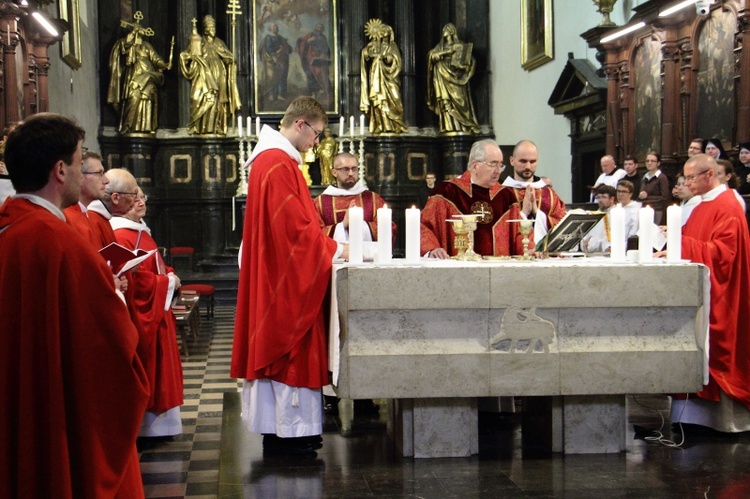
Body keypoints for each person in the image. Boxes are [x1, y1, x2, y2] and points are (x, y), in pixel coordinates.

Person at [0, 113, 149, 497]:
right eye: (80, 161)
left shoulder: (9, 229)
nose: (87, 173)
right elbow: (112, 342)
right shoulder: (62, 244)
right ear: (60, 170)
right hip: (56, 414)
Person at [231, 97, 347, 455]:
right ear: (300, 124)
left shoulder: (272, 162)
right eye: (317, 134)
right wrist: (333, 250)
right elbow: (295, 233)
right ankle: (291, 435)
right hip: (286, 280)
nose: (317, 144)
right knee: (293, 349)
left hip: (277, 273)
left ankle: (284, 432)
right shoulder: (278, 165)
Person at [669, 154, 750, 433]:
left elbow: (724, 255)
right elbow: (692, 241)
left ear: (710, 175)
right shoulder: (702, 204)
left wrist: (678, 242)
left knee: (714, 350)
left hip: (721, 295)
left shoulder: (729, 206)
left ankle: (724, 421)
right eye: (685, 177)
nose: (686, 183)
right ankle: (691, 419)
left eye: (691, 177)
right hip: (699, 292)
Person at [111, 186, 184, 437]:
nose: (141, 202)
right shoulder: (121, 234)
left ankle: (160, 427)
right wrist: (167, 283)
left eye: (143, 197)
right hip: (144, 314)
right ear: (118, 200)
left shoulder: (140, 230)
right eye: (135, 198)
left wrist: (169, 274)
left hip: (158, 311)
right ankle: (147, 429)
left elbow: (155, 266)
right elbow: (134, 282)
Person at [421, 139, 520, 258]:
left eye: (500, 165)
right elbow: (424, 226)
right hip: (457, 272)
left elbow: (519, 231)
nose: (498, 171)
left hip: (499, 273)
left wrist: (528, 249)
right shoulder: (446, 192)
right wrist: (432, 249)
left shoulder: (506, 196)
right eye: (493, 164)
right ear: (475, 165)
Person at [107, 11, 171, 135]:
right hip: (133, 77)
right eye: (135, 32)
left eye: (139, 32)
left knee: (147, 99)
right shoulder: (126, 45)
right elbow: (121, 51)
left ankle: (146, 128)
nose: (138, 35)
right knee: (133, 97)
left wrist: (165, 64)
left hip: (148, 77)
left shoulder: (146, 46)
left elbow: (156, 59)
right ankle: (128, 126)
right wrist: (130, 40)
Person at [313, 152, 393, 244]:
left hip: (367, 257)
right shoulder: (320, 203)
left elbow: (389, 229)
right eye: (345, 169)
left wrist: (359, 225)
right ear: (334, 172)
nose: (351, 173)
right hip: (333, 258)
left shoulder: (373, 199)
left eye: (354, 169)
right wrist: (343, 225)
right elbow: (314, 235)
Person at [179, 15, 241, 135]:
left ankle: (218, 125)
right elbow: (189, 54)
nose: (213, 30)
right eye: (210, 27)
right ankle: (203, 127)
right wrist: (185, 57)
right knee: (205, 99)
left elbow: (227, 56)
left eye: (214, 27)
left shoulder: (219, 42)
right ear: (206, 30)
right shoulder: (199, 41)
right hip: (204, 76)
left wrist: (231, 60)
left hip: (220, 75)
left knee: (219, 101)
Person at [500, 140, 567, 249]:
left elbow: (563, 227)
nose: (528, 166)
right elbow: (499, 230)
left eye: (532, 161)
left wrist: (537, 214)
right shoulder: (501, 193)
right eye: (523, 161)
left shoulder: (549, 194)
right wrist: (524, 213)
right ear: (512, 161)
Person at [426, 23, 480, 134]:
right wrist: (446, 52)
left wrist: (464, 67)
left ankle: (464, 125)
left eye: (447, 28)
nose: (445, 30)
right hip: (443, 77)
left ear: (452, 31)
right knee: (446, 103)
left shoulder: (460, 45)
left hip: (457, 78)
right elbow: (432, 56)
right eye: (444, 28)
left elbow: (470, 60)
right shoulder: (440, 47)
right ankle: (449, 126)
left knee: (461, 101)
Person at [360, 19, 408, 134]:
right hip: (376, 76)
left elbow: (397, 60)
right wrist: (369, 52)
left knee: (394, 98)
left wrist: (387, 58)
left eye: (387, 33)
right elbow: (365, 54)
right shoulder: (374, 45)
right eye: (382, 32)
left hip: (390, 77)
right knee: (379, 101)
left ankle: (395, 124)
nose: (384, 35)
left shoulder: (393, 46)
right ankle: (382, 125)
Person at [63, 150, 108, 248]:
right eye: (98, 173)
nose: (106, 181)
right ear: (80, 176)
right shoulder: (68, 218)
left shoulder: (86, 215)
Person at [296, 23, 333, 104]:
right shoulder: (310, 35)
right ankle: (314, 94)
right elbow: (301, 41)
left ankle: (325, 92)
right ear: (315, 27)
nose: (318, 28)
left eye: (320, 27)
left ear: (322, 29)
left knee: (320, 74)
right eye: (317, 27)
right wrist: (307, 41)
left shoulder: (323, 38)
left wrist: (323, 53)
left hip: (319, 59)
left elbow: (326, 49)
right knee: (310, 75)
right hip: (310, 60)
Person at [260, 22, 293, 104]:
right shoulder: (268, 38)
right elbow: (269, 48)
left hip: (282, 61)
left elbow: (289, 49)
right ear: (270, 28)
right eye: (274, 26)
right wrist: (277, 51)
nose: (276, 28)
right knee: (272, 77)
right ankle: (272, 94)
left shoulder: (281, 38)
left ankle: (280, 94)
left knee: (282, 77)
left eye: (276, 26)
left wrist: (285, 47)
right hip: (271, 61)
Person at [582, 184, 616, 253]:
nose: (600, 200)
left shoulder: (617, 214)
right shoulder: (593, 215)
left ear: (612, 199)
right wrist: (585, 243)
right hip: (592, 254)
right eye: (598, 197)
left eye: (603, 197)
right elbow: (586, 236)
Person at [638, 151, 669, 224]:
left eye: (652, 161)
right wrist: (640, 196)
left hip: (657, 211)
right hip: (645, 210)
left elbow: (665, 197)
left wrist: (647, 197)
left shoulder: (662, 177)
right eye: (647, 161)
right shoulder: (644, 178)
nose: (649, 163)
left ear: (658, 163)